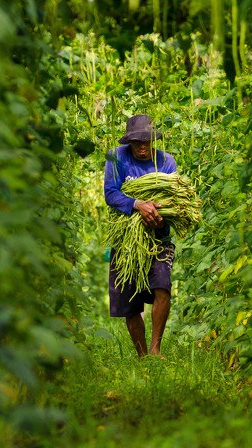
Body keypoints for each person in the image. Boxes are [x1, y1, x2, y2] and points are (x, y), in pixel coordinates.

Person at [104, 114, 177, 358]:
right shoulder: (116, 157)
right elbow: (111, 194)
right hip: (126, 240)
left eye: (147, 142)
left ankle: (156, 350)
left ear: (153, 141)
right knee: (128, 302)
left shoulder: (166, 162)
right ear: (129, 142)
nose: (142, 147)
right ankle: (143, 356)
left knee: (162, 289)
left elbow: (173, 200)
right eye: (137, 142)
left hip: (158, 237)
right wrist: (137, 204)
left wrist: (159, 214)